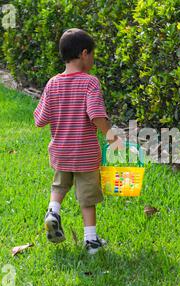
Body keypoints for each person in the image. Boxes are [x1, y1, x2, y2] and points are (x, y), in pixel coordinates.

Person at [34, 28, 121, 254]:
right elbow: (96, 114)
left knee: (59, 185)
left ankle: (53, 212)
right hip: (85, 153)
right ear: (84, 54)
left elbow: (40, 119)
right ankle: (91, 241)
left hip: (61, 152)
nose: (93, 59)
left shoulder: (52, 83)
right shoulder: (90, 83)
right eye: (92, 54)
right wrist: (112, 137)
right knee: (87, 197)